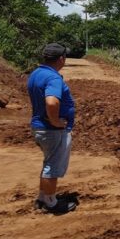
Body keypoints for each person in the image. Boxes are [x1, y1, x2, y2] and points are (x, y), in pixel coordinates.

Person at [27, 43, 77, 214]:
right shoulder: (53, 78)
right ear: (61, 59)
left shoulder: (37, 73)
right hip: (51, 130)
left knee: (48, 163)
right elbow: (51, 101)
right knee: (53, 167)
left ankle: (42, 197)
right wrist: (55, 121)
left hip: (39, 127)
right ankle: (51, 203)